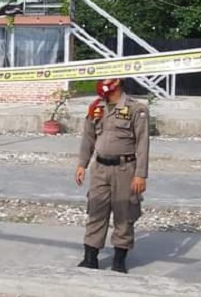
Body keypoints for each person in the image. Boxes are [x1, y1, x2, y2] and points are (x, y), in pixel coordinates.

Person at [74, 78, 149, 273]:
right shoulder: (96, 107)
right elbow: (88, 138)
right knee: (96, 211)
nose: (100, 82)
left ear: (117, 82)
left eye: (106, 79)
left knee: (124, 213)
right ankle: (90, 258)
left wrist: (140, 175)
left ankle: (119, 261)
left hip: (125, 169)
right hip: (99, 168)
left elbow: (142, 144)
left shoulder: (136, 108)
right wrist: (82, 164)